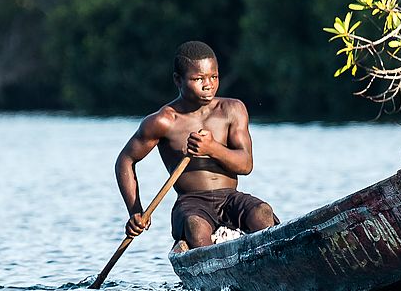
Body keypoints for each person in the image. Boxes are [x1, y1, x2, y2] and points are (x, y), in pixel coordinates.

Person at [115, 41, 278, 249]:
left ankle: (273, 263)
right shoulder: (164, 121)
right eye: (198, 79)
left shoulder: (233, 110)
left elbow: (245, 165)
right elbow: (125, 160)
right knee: (195, 227)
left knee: (262, 212)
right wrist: (135, 211)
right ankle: (212, 269)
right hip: (191, 203)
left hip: (230, 198)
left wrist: (212, 148)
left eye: (214, 77)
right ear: (178, 80)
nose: (208, 84)